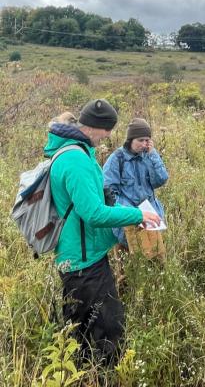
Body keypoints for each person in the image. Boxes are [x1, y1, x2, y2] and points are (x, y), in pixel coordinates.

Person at [46, 100, 160, 365]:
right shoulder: (76, 159)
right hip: (83, 263)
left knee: (81, 326)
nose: (109, 135)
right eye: (108, 129)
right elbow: (94, 214)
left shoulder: (77, 151)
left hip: (84, 255)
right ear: (96, 127)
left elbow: (95, 202)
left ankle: (84, 371)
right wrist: (137, 215)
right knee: (106, 328)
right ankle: (101, 374)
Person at [103, 118, 168, 246]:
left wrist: (153, 155)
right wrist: (132, 213)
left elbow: (161, 179)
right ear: (130, 140)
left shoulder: (148, 156)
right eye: (140, 140)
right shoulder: (117, 159)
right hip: (127, 220)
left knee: (155, 257)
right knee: (131, 258)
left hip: (151, 217)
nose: (144, 144)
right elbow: (108, 192)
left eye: (147, 140)